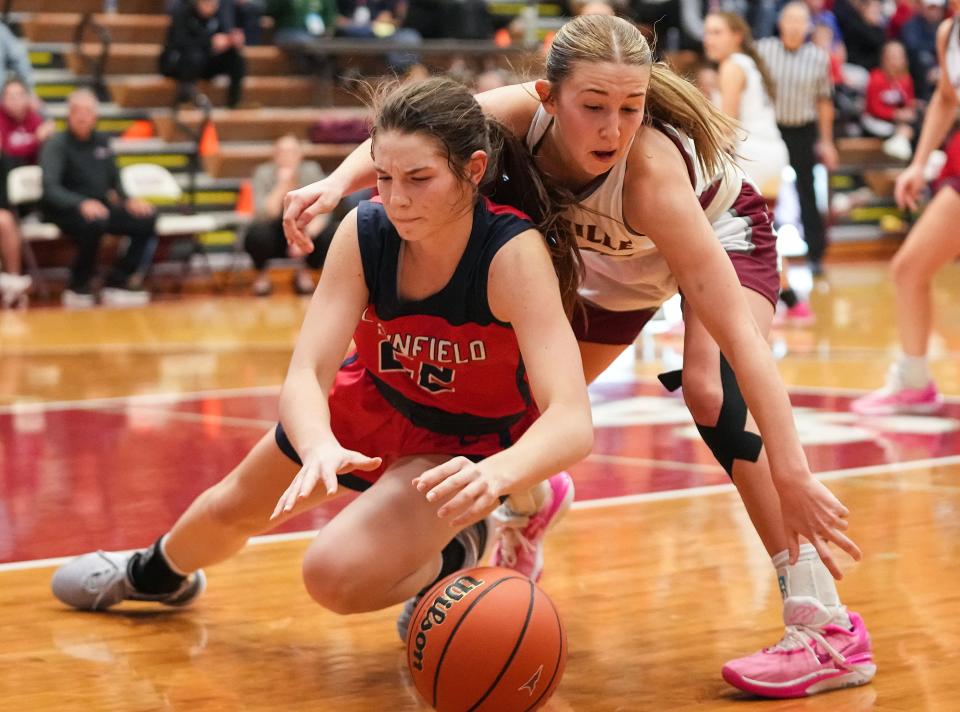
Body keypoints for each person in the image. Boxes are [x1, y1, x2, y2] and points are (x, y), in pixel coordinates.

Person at [284, 14, 873, 699]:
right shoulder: (514, 117)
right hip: (612, 260)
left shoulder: (652, 176)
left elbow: (745, 345)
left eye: (631, 108)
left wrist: (794, 471)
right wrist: (334, 186)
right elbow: (416, 131)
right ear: (547, 97)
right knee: (529, 409)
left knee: (713, 386)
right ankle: (528, 507)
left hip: (716, 234)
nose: (613, 128)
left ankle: (825, 624)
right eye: (593, 107)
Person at [50, 78, 594, 647]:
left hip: (464, 443)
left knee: (332, 576)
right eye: (384, 177)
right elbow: (307, 373)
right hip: (376, 401)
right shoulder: (367, 231)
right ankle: (156, 577)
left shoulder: (511, 253)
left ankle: (462, 544)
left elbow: (571, 420)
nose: (397, 197)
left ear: (474, 169)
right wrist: (316, 445)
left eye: (418, 178)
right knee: (231, 507)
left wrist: (496, 476)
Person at [851, 4, 960, 416]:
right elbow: (946, 99)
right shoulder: (949, 32)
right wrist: (918, 163)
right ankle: (914, 382)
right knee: (910, 269)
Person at [703, 11, 814, 323]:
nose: (708, 39)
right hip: (772, 155)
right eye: (708, 32)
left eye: (716, 32)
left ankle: (705, 312)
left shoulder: (732, 66)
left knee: (717, 233)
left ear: (737, 35)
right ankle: (791, 298)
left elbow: (728, 124)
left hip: (751, 155)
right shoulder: (751, 64)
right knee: (764, 233)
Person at [39, 89, 157, 308]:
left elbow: (116, 179)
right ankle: (79, 283)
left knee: (146, 218)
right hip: (64, 209)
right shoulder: (57, 144)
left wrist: (128, 200)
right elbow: (50, 188)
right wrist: (80, 203)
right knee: (95, 222)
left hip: (100, 207)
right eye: (77, 112)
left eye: (87, 112)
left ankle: (118, 278)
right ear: (69, 114)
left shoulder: (102, 142)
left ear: (95, 116)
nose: (82, 117)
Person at [757, 2, 838, 276]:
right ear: (780, 23)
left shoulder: (818, 56)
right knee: (766, 192)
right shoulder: (763, 50)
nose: (793, 26)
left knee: (807, 191)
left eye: (799, 21)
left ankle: (816, 254)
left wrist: (826, 141)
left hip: (803, 129)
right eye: (789, 20)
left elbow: (824, 101)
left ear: (808, 26)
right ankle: (763, 251)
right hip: (770, 130)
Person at [244, 134, 329, 296]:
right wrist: (283, 185)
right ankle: (262, 276)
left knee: (329, 233)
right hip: (275, 230)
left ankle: (305, 273)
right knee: (256, 234)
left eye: (291, 152)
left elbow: (323, 211)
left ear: (300, 155)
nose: (286, 157)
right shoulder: (263, 172)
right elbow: (264, 213)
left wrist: (303, 236)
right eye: (281, 152)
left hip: (305, 226)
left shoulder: (311, 170)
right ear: (274, 156)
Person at [0, 78, 53, 308]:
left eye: (20, 95)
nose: (16, 100)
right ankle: (12, 278)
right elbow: (6, 153)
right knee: (4, 220)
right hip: (4, 190)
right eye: (10, 96)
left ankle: (13, 280)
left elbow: (49, 153)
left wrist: (42, 138)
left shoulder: (35, 118)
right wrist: (36, 140)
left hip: (30, 196)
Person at [159, 0, 247, 108]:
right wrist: (209, 42)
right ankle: (184, 100)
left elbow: (225, 35)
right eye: (206, 3)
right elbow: (180, 42)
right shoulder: (182, 13)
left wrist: (231, 41)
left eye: (213, 4)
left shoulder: (219, 15)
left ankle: (234, 102)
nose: (210, 6)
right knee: (194, 57)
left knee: (236, 58)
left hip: (206, 62)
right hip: (180, 63)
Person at [863, 40, 918, 161]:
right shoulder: (876, 78)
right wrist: (895, 114)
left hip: (898, 122)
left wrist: (911, 109)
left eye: (900, 56)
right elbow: (873, 108)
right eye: (893, 57)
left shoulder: (906, 79)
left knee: (916, 123)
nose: (897, 61)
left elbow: (908, 101)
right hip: (875, 120)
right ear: (884, 59)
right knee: (904, 130)